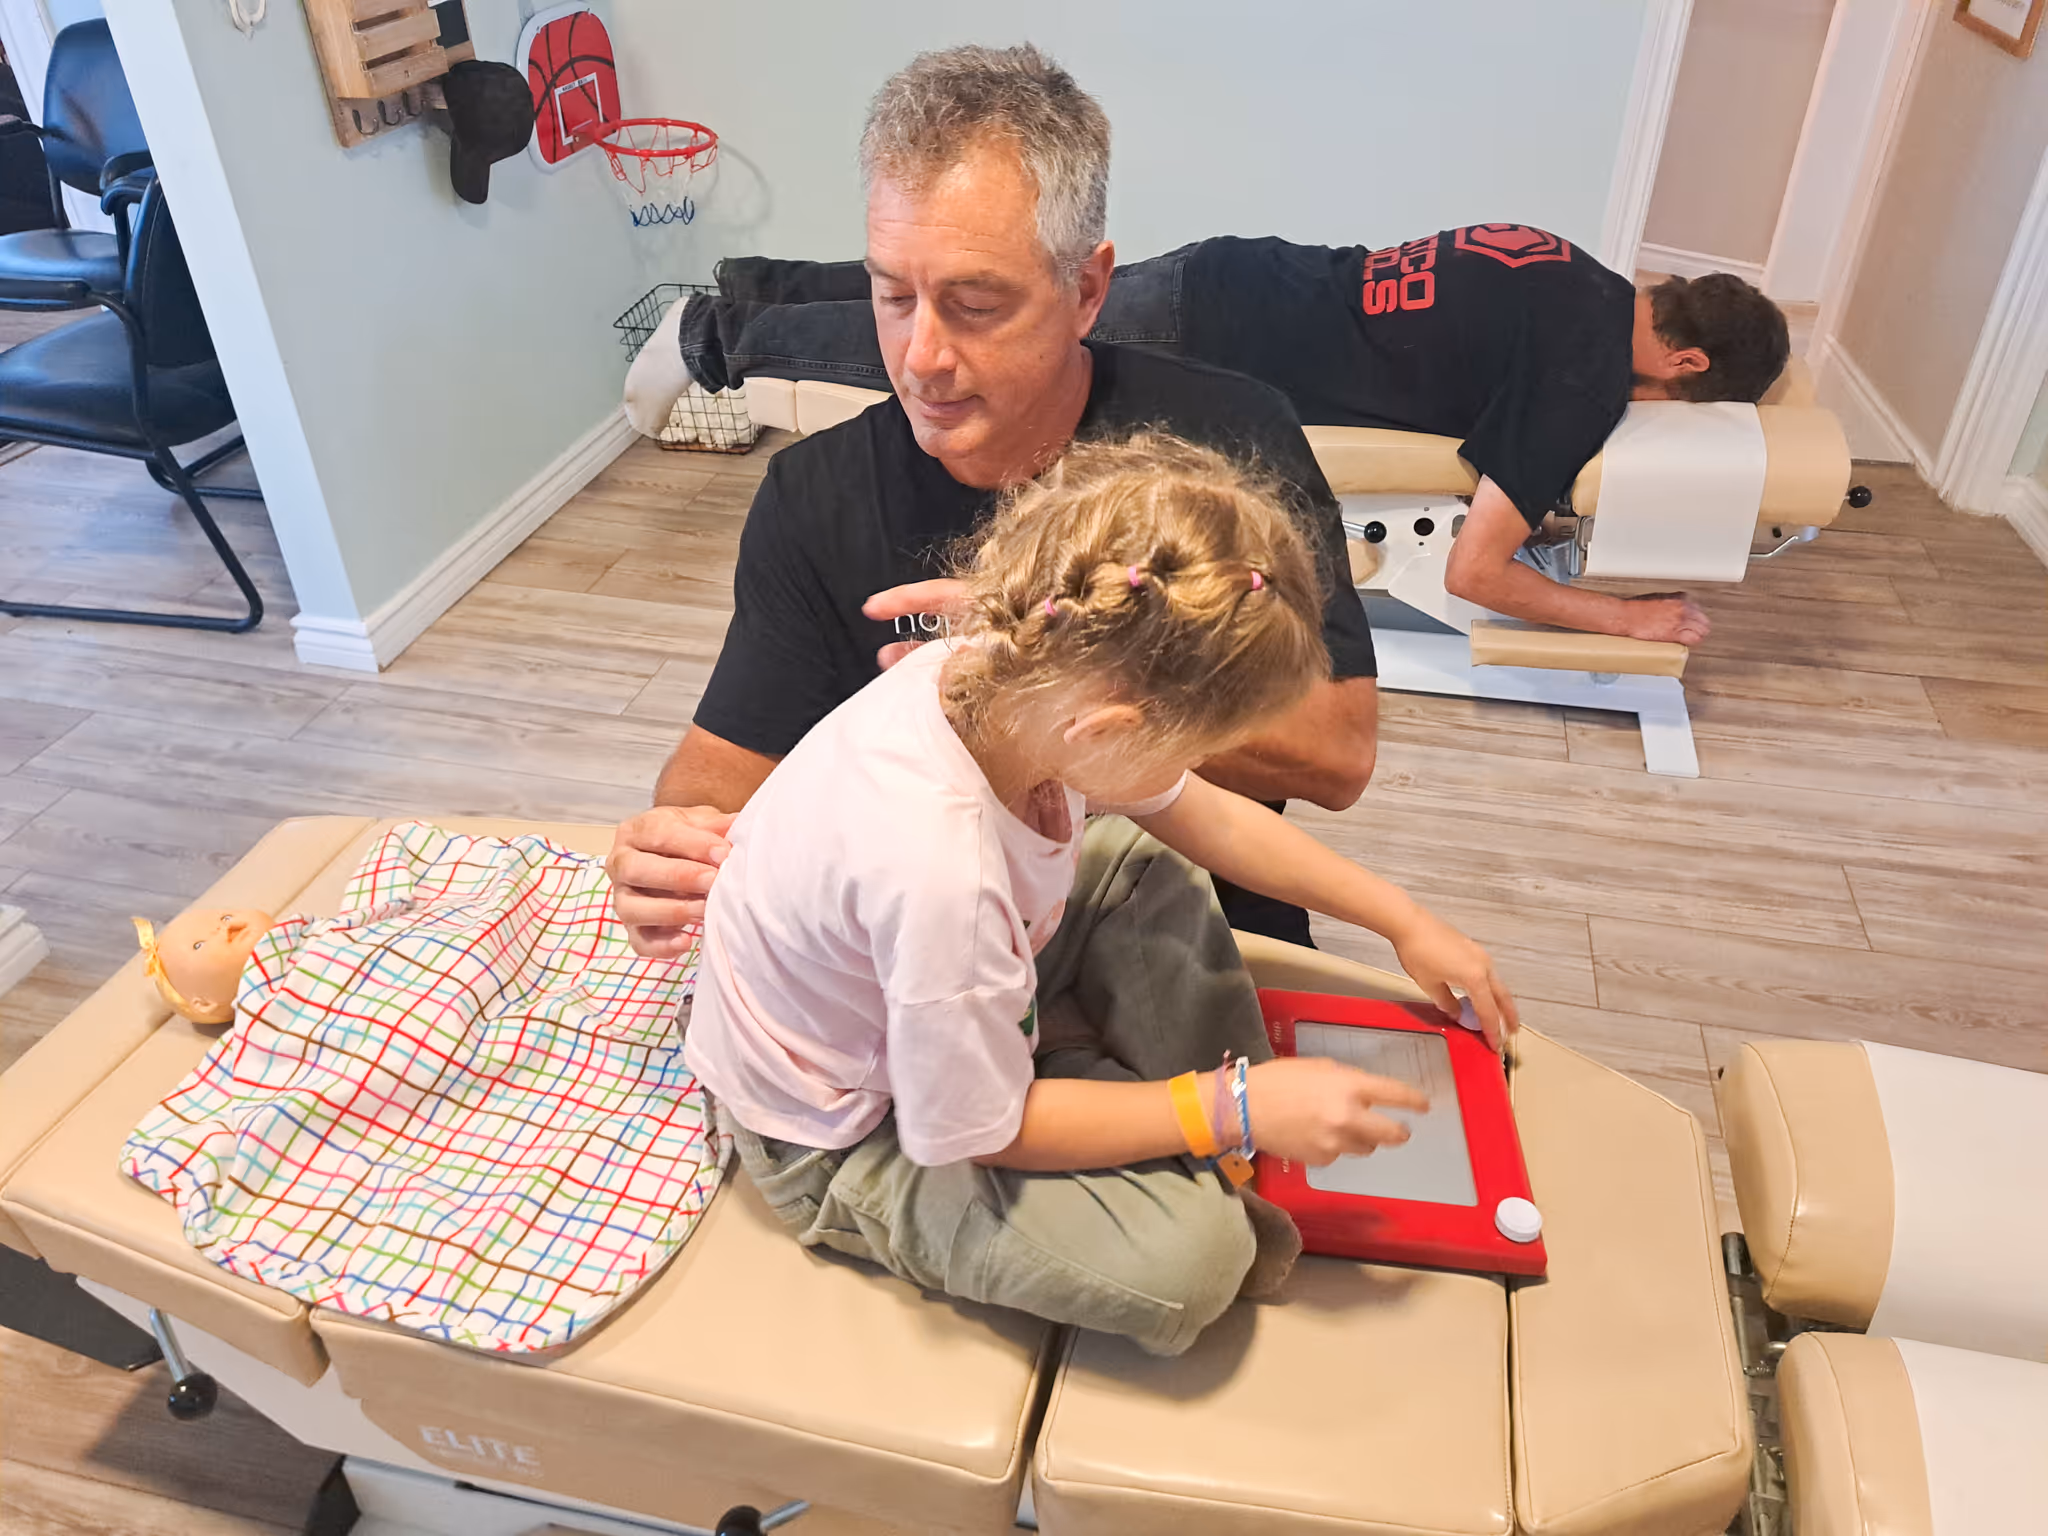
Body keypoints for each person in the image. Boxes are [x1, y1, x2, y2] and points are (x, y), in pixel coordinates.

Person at [685, 432, 1517, 1356]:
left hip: (942, 995)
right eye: (1190, 747)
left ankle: (1179, 1111)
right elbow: (981, 1130)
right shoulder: (939, 874)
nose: (1191, 770)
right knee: (1192, 1265)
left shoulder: (1020, 670)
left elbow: (1208, 821)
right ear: (1107, 727)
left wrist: (1404, 919)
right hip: (844, 1133)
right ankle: (1195, 1124)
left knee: (1142, 855)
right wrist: (1232, 1105)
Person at [607, 45, 1380, 954]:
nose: (920, 357)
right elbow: (717, 781)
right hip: (941, 947)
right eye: (893, 296)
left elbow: (1335, 755)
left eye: (975, 304)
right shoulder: (815, 497)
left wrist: (1046, 665)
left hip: (1199, 932)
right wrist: (669, 852)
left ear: (1087, 289)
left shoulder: (1227, 445)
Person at [674, 232, 1791, 649]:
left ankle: (759, 280)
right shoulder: (1582, 379)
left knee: (986, 290)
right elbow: (1474, 569)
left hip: (1239, 271)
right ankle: (725, 333)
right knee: (979, 343)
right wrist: (1625, 617)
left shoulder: (1569, 267)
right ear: (1684, 367)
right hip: (1209, 328)